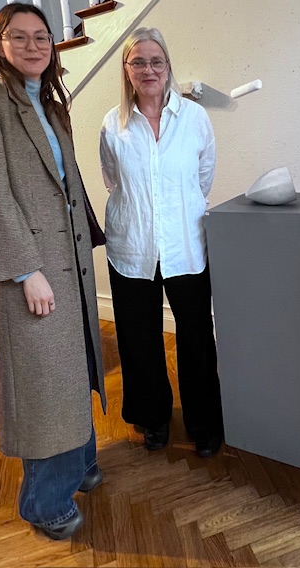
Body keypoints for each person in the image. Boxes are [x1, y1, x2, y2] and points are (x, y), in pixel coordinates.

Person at [0, 2, 107, 540]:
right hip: (32, 272)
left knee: (74, 370)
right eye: (18, 37)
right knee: (45, 385)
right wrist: (25, 271)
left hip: (70, 265)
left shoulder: (50, 104)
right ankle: (45, 502)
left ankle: (81, 463)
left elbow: (66, 185)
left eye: (42, 36)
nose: (33, 45)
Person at [100, 27, 224, 457]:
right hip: (131, 247)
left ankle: (204, 422)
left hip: (185, 245)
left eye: (156, 61)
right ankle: (152, 417)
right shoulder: (112, 124)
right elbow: (113, 180)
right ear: (126, 70)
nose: (148, 69)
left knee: (196, 337)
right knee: (139, 339)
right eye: (138, 62)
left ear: (168, 66)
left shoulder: (195, 118)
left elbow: (203, 177)